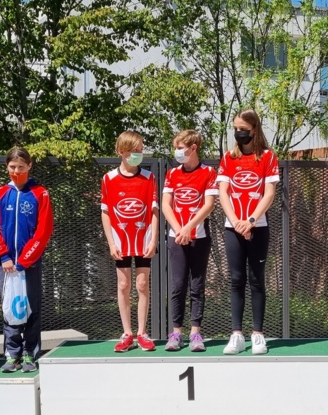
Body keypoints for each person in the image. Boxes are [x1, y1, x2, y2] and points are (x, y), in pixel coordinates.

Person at [217, 109, 279, 355]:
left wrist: (251, 220)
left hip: (258, 227)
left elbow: (269, 194)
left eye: (243, 129)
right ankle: (236, 335)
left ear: (254, 130)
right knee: (236, 279)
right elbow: (223, 192)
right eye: (235, 128)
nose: (239, 133)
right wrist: (236, 221)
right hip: (233, 228)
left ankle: (258, 335)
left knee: (256, 279)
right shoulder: (228, 158)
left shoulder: (267, 157)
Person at [0, 147, 54, 373]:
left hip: (30, 264)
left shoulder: (40, 193)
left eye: (21, 167)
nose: (16, 171)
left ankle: (30, 353)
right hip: (6, 265)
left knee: (31, 308)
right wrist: (4, 257)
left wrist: (26, 259)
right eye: (12, 167)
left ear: (29, 166)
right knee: (9, 308)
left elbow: (43, 231)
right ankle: (12, 354)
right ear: (7, 167)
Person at [101, 131, 159, 352]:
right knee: (123, 285)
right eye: (134, 151)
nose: (138, 154)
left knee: (142, 284)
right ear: (121, 152)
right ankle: (127, 334)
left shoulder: (149, 177)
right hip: (120, 239)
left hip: (143, 238)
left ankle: (142, 333)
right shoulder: (108, 178)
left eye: (140, 150)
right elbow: (106, 212)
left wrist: (153, 240)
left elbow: (154, 211)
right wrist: (111, 243)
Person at [161, 130, 218, 352]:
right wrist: (179, 229)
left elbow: (209, 204)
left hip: (199, 237)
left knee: (197, 285)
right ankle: (176, 334)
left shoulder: (208, 172)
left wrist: (189, 228)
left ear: (193, 148)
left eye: (180, 148)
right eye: (175, 148)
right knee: (178, 285)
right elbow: (166, 205)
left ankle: (195, 334)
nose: (177, 152)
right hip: (176, 237)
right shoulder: (172, 174)